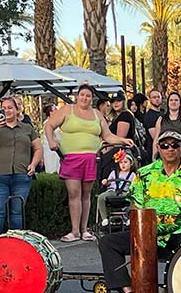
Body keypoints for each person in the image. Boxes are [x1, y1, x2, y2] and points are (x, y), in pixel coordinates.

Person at [98, 130, 181, 293]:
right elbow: (135, 208)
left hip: (180, 233)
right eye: (165, 145)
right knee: (108, 242)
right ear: (158, 148)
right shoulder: (144, 174)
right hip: (148, 233)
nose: (170, 149)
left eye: (175, 145)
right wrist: (138, 235)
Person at [45, 84, 132, 242]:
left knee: (86, 194)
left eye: (88, 96)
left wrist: (122, 140)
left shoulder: (97, 114)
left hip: (90, 158)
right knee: (74, 193)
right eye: (82, 95)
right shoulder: (67, 110)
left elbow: (108, 135)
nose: (85, 98)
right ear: (77, 96)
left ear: (92, 99)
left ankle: (84, 230)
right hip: (71, 158)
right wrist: (52, 141)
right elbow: (49, 125)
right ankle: (74, 230)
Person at [0, 96, 42, 234]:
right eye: (4, 108)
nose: (7, 110)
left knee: (17, 212)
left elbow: (38, 148)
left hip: (21, 175)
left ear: (17, 109)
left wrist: (33, 164)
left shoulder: (27, 128)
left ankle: (16, 241)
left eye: (10, 107)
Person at [96, 148, 136, 226]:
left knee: (134, 198)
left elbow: (135, 185)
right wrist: (106, 182)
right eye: (121, 162)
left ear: (131, 163)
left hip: (125, 193)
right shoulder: (114, 173)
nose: (123, 164)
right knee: (101, 197)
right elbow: (108, 182)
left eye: (125, 162)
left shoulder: (132, 175)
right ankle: (104, 218)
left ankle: (130, 218)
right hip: (112, 192)